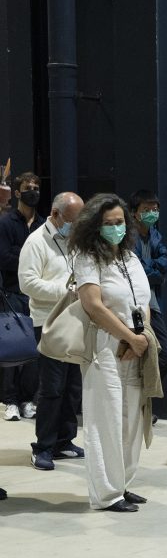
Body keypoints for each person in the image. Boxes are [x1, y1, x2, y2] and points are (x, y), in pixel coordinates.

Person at [72, 193, 155, 512]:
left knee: (131, 418)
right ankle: (106, 494)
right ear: (95, 226)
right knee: (105, 419)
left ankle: (122, 484)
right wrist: (128, 338)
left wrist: (141, 336)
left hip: (135, 344)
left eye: (120, 222)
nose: (116, 228)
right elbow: (93, 306)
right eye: (108, 224)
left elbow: (143, 298)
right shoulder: (87, 258)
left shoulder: (130, 257)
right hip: (105, 346)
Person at [18, 191, 85, 469]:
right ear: (56, 215)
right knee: (52, 388)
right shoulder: (36, 242)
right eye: (72, 219)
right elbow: (27, 284)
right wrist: (66, 292)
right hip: (47, 323)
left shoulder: (76, 241)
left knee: (72, 387)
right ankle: (43, 446)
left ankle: (64, 440)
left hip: (77, 321)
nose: (76, 225)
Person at [0, 171, 44, 421]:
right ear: (17, 193)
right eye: (28, 187)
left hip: (36, 296)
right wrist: (29, 260)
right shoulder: (6, 223)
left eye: (37, 187)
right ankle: (10, 400)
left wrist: (23, 258)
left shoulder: (41, 225)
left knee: (34, 350)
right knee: (13, 348)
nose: (33, 191)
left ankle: (28, 399)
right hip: (12, 293)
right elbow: (3, 258)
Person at [129, 189, 167, 420]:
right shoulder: (130, 237)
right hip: (136, 305)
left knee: (162, 356)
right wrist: (154, 270)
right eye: (146, 210)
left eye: (154, 209)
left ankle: (140, 403)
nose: (151, 213)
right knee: (158, 355)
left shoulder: (155, 234)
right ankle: (137, 404)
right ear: (135, 213)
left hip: (153, 303)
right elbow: (137, 269)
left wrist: (152, 269)